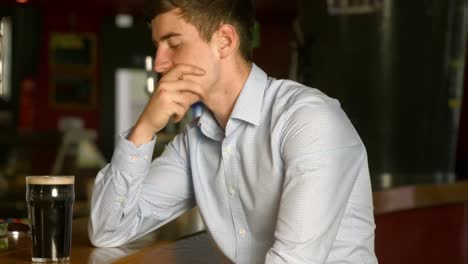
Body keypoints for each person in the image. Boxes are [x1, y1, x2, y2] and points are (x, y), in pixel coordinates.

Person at [88, 0, 378, 263]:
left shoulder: (309, 119)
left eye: (174, 44)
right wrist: (145, 128)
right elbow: (108, 230)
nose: (160, 63)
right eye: (158, 47)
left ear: (225, 41)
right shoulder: (195, 141)